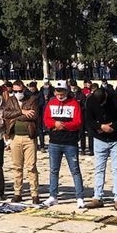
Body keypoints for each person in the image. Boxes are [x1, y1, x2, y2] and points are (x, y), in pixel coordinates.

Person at [42, 80, 85, 208]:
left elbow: (78, 122)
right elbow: (46, 120)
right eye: (57, 91)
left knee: (75, 170)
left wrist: (64, 126)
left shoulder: (74, 104)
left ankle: (80, 197)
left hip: (70, 142)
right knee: (54, 170)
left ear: (67, 91)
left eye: (62, 92)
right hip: (54, 142)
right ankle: (53, 196)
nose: (59, 94)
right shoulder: (51, 102)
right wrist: (54, 124)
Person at [84, 87, 117, 210]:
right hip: (100, 138)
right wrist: (100, 126)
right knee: (99, 169)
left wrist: (112, 127)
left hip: (116, 137)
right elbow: (89, 119)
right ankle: (97, 196)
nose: (101, 105)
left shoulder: (115, 100)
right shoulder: (91, 100)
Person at [3, 80, 39, 203]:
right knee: (17, 167)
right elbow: (6, 114)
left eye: (20, 91)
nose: (18, 93)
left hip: (29, 137)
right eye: (15, 91)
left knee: (31, 167)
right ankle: (17, 192)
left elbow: (33, 116)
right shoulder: (11, 100)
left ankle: (34, 193)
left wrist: (16, 115)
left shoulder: (32, 99)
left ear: (24, 89)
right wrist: (21, 112)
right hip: (15, 137)